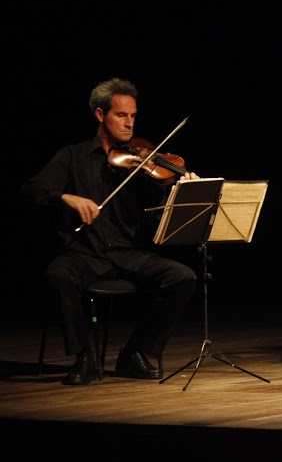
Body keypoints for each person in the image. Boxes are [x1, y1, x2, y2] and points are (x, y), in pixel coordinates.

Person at [21, 77, 199, 386]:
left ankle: (136, 352)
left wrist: (182, 191)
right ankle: (84, 357)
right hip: (84, 253)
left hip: (129, 254)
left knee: (182, 277)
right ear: (100, 114)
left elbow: (159, 213)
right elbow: (30, 191)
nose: (130, 124)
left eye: (133, 116)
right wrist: (66, 196)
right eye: (121, 115)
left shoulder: (142, 161)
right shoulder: (72, 157)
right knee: (58, 275)